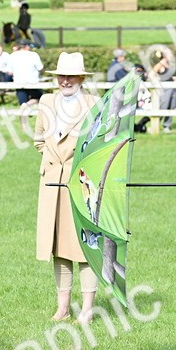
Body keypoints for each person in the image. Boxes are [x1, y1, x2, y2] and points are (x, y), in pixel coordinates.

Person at [34, 52, 100, 326]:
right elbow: (38, 138)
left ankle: (87, 308)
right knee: (58, 247)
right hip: (51, 183)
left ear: (81, 78)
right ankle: (63, 308)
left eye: (70, 76)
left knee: (84, 246)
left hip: (81, 183)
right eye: (61, 76)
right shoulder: (46, 102)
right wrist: (50, 160)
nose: (65, 81)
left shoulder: (95, 104)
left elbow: (101, 144)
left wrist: (79, 167)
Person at [11, 40, 44, 106]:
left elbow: (9, 71)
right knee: (40, 98)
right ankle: (28, 104)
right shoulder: (34, 55)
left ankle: (25, 106)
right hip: (33, 83)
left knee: (22, 104)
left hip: (19, 83)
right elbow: (40, 68)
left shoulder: (12, 55)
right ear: (27, 47)